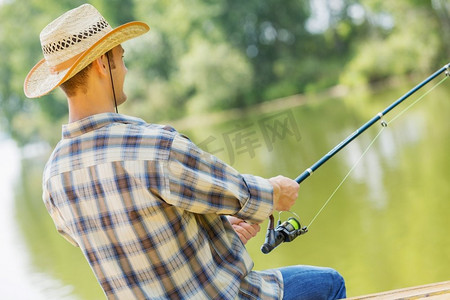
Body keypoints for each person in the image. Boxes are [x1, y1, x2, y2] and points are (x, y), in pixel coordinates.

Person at [24, 4, 346, 300]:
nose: (125, 69)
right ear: (100, 64)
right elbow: (247, 195)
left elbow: (139, 246)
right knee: (330, 283)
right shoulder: (156, 147)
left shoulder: (53, 179)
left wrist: (220, 233)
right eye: (121, 58)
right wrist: (278, 192)